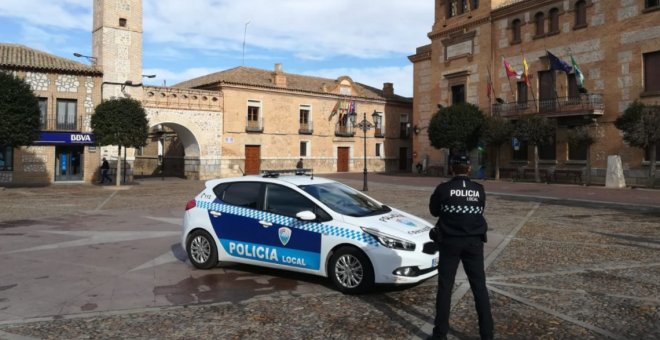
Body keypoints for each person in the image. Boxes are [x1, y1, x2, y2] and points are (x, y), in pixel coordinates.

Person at [428, 154, 493, 340]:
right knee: (479, 287)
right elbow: (480, 209)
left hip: (449, 242)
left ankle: (440, 334)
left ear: (451, 169)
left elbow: (434, 211)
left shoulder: (443, 189)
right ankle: (487, 334)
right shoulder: (479, 189)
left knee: (445, 288)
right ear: (469, 169)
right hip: (474, 243)